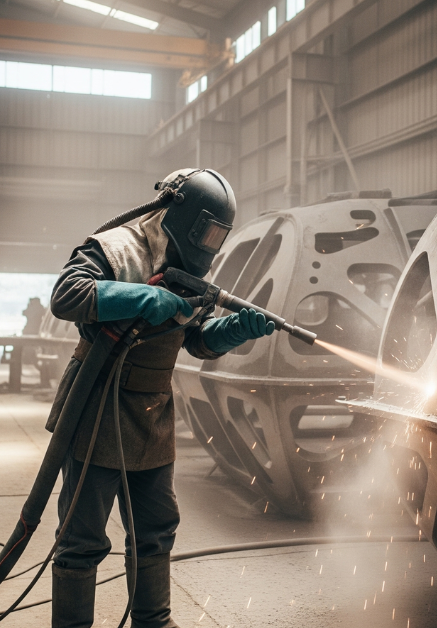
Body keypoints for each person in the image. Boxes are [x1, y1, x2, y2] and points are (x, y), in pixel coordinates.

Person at [46, 169, 271, 628]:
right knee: (81, 537)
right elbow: (66, 296)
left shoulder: (190, 267)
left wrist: (232, 332)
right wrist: (138, 297)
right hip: (97, 405)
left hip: (152, 412)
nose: (209, 242)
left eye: (217, 235)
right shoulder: (115, 247)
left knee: (155, 530)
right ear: (180, 212)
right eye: (205, 229)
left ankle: (153, 621)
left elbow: (195, 341)